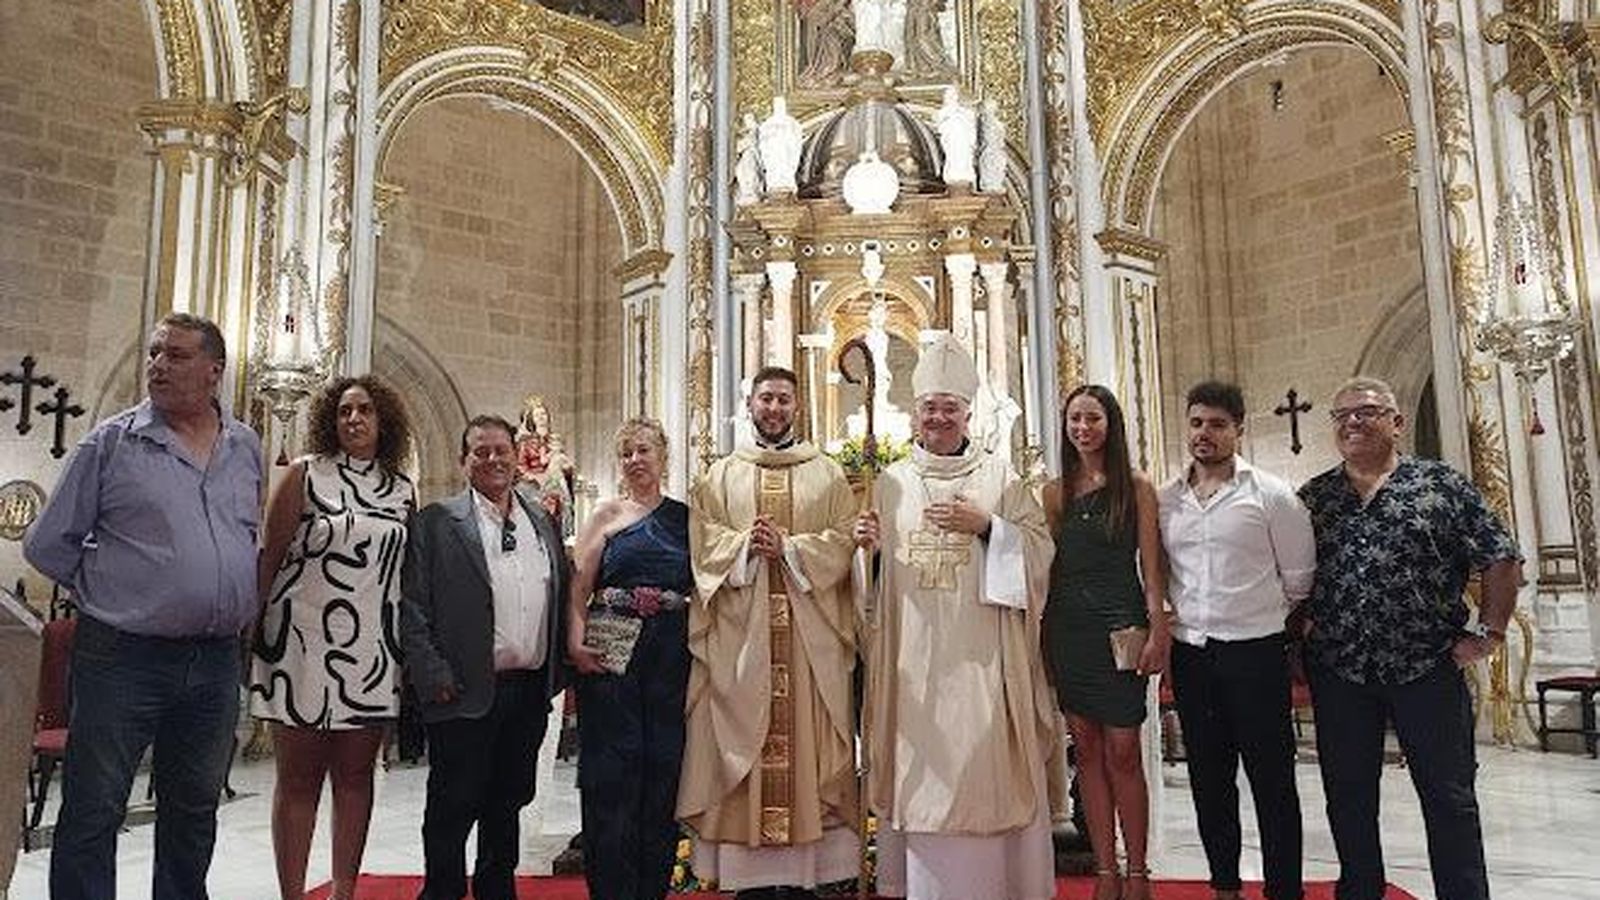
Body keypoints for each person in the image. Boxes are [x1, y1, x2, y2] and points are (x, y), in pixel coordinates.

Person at [23, 313, 263, 900]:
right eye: (155, 353)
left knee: (193, 808)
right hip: (122, 656)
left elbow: (244, 535)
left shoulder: (245, 446)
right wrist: (116, 590)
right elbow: (47, 545)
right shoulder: (110, 443)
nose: (157, 365)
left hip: (213, 660)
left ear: (214, 371)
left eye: (176, 355)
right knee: (95, 808)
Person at [1299, 376, 1520, 900]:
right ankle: (1360, 891)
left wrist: (1488, 633)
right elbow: (1287, 574)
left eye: (1368, 411)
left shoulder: (1441, 485)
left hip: (1427, 667)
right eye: (1343, 414)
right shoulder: (1314, 498)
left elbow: (1500, 555)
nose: (1354, 421)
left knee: (1450, 797)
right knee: (1348, 797)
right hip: (1341, 669)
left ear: (1396, 423)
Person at [853, 335, 1056, 900]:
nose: (939, 417)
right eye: (929, 407)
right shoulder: (890, 483)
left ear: (968, 412)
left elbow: (1040, 556)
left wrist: (990, 526)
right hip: (912, 664)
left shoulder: (1003, 479)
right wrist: (862, 550)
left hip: (982, 663)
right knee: (920, 777)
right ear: (914, 413)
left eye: (949, 407)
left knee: (981, 766)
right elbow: (867, 585)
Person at [680, 366, 859, 899]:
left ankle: (810, 872)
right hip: (743, 640)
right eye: (765, 399)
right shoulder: (720, 477)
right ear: (750, 404)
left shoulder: (827, 475)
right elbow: (701, 542)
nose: (774, 408)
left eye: (783, 399)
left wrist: (793, 550)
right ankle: (748, 876)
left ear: (797, 406)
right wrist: (741, 550)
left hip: (807, 643)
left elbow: (846, 542)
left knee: (808, 738)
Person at [249, 375, 417, 900]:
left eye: (365, 409)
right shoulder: (304, 474)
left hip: (370, 650)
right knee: (299, 781)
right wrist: (247, 638)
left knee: (355, 779)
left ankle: (344, 891)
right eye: (344, 411)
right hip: (299, 646)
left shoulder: (402, 488)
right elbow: (268, 560)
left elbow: (408, 576)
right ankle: (292, 894)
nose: (354, 419)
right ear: (331, 419)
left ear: (382, 419)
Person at [400, 414, 570, 900]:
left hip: (527, 691)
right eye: (482, 451)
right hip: (462, 689)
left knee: (507, 803)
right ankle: (443, 893)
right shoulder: (436, 522)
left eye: (501, 449)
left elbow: (557, 593)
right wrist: (432, 674)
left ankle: (498, 891)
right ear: (463, 461)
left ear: (517, 456)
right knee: (452, 808)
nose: (493, 458)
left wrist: (556, 671)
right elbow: (412, 607)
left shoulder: (540, 520)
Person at [1157, 381, 1315, 900]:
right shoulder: (1166, 499)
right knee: (1209, 780)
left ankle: (1283, 890)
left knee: (1272, 782)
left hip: (1255, 654)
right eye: (1197, 422)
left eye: (1218, 424)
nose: (1205, 434)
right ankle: (1225, 885)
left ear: (1239, 430)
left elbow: (1298, 580)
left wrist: (1253, 615)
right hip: (1193, 656)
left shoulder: (1271, 494)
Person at [1040, 384, 1169, 900]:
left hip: (1121, 624)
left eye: (1092, 418)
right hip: (1070, 628)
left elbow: (1152, 570)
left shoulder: (1135, 487)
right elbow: (1047, 570)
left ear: (1110, 424)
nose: (1083, 428)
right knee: (1087, 749)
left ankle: (1138, 871)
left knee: (1123, 750)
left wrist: (1159, 629)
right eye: (1075, 419)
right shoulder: (1055, 492)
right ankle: (1105, 870)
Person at [566, 418, 692, 900]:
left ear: (663, 457)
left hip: (669, 655)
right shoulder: (605, 515)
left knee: (662, 769)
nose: (636, 460)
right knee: (612, 774)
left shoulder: (685, 518)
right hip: (611, 653)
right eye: (627, 453)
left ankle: (652, 887)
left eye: (644, 451)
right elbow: (580, 588)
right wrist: (577, 645)